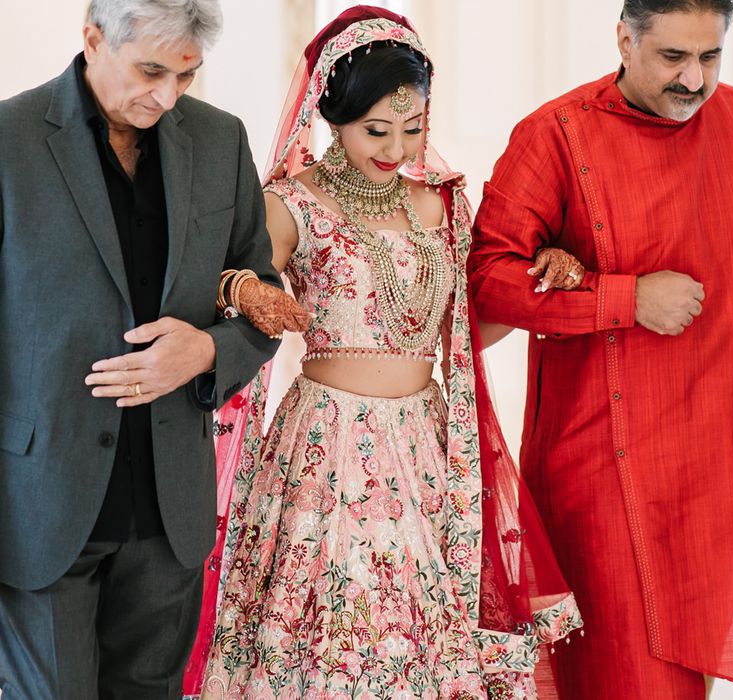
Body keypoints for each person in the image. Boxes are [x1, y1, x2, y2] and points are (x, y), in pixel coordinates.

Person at [184, 7, 584, 700]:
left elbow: (462, 336)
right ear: (332, 115)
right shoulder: (292, 203)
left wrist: (543, 276)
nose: (396, 147)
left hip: (427, 451)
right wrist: (245, 287)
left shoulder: (446, 207)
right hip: (327, 448)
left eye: (413, 127)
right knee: (331, 641)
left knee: (427, 643)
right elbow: (222, 286)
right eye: (376, 130)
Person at [469, 0, 733, 698]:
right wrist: (624, 299)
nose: (694, 79)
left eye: (710, 57)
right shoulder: (556, 137)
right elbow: (485, 282)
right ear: (625, 42)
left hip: (722, 473)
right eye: (673, 58)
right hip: (606, 473)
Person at [0, 1, 283, 697]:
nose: (166, 96)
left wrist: (209, 352)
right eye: (150, 70)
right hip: (38, 502)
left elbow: (262, 298)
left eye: (185, 76)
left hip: (168, 510)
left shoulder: (220, 141)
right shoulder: (7, 140)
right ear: (93, 40)